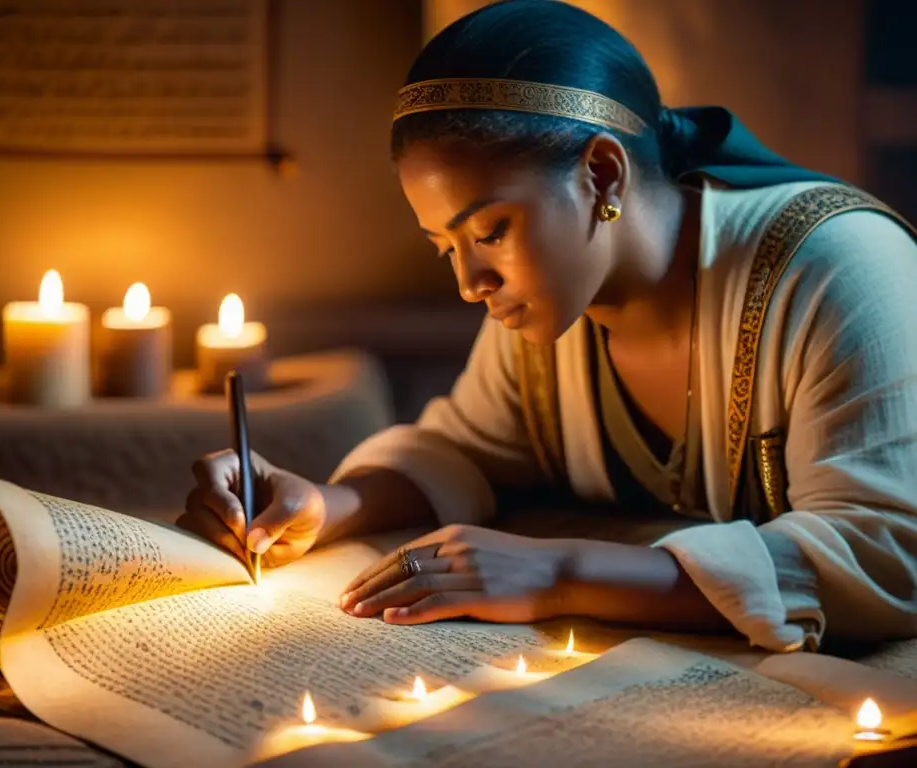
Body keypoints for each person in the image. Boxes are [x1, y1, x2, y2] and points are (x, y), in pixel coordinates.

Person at [178, 0, 917, 652]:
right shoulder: (548, 307)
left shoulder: (838, 268)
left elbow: (886, 551)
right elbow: (470, 447)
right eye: (448, 248)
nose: (471, 284)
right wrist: (327, 506)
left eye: (491, 230)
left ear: (601, 173)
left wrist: (557, 572)